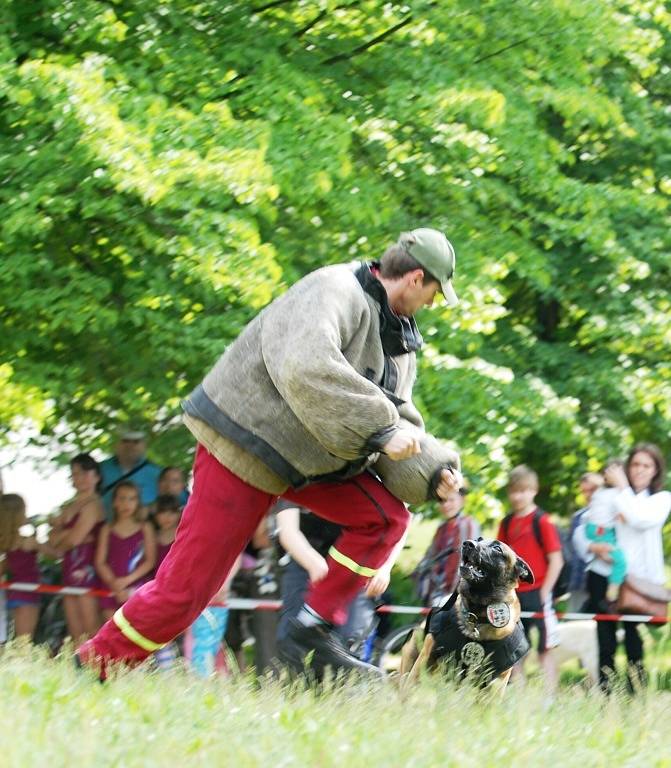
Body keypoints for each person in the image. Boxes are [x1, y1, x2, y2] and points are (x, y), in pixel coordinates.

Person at [77, 227, 463, 678]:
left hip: (303, 461)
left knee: (385, 518)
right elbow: (307, 367)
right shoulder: (332, 289)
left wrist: (434, 469)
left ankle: (311, 628)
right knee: (186, 593)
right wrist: (381, 429)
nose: (434, 304)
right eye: (436, 292)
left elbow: (400, 420)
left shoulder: (399, 341)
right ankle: (94, 663)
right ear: (416, 278)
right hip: (244, 445)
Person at [574, 443, 670, 692]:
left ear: (655, 471)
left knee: (632, 635)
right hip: (602, 574)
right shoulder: (610, 494)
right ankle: (605, 690)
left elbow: (640, 518)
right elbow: (584, 527)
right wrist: (594, 547)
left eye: (646, 465)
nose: (640, 470)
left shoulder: (661, 500)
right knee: (604, 634)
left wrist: (622, 488)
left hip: (637, 579)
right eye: (636, 464)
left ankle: (634, 690)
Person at [276, 501, 402, 657]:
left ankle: (346, 676)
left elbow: (398, 521)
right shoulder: (296, 479)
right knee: (293, 637)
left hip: (358, 562)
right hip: (306, 559)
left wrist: (385, 567)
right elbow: (288, 531)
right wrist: (313, 564)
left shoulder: (377, 478)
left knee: (350, 641)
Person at [497, 465, 564, 694]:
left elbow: (557, 560)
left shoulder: (542, 521)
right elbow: (500, 560)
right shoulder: (506, 523)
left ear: (533, 491)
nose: (518, 496)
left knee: (545, 650)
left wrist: (544, 593)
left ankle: (549, 699)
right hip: (514, 594)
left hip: (538, 593)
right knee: (514, 650)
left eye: (523, 490)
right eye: (514, 491)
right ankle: (519, 699)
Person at [49, 453, 106, 642]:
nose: (78, 477)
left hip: (88, 572)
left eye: (83, 472)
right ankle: (79, 670)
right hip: (69, 569)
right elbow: (54, 541)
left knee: (91, 629)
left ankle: (98, 669)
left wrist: (64, 536)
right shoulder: (70, 506)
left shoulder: (93, 504)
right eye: (74, 473)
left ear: (96, 476)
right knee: (75, 632)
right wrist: (69, 536)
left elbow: (73, 539)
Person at [94, 481, 157, 621]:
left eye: (132, 499)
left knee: (136, 633)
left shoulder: (145, 527)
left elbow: (150, 561)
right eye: (122, 498)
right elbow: (99, 562)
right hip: (110, 587)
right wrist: (114, 584)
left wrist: (126, 581)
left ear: (137, 503)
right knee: (111, 633)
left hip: (137, 587)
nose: (126, 504)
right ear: (114, 502)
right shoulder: (107, 529)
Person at [414, 487, 481, 606]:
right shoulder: (442, 529)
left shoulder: (468, 525)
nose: (446, 505)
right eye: (442, 501)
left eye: (451, 500)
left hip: (458, 593)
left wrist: (458, 592)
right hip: (437, 590)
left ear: (462, 500)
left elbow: (469, 560)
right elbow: (431, 555)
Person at [580, 461, 628, 603]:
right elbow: (626, 516)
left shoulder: (600, 491)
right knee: (621, 561)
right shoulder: (617, 494)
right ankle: (613, 588)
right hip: (602, 532)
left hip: (592, 529)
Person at [0, 494, 44, 640]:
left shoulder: (7, 542)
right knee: (24, 642)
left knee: (17, 640)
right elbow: (57, 554)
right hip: (28, 594)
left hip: (13, 593)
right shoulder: (27, 541)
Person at [99, 430, 161, 519]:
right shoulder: (100, 469)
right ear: (117, 444)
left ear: (144, 446)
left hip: (145, 530)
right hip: (106, 528)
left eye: (136, 442)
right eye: (125, 441)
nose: (130, 446)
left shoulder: (157, 473)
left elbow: (176, 502)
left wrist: (149, 509)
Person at [566, 472, 604, 612]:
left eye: (592, 490)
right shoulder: (578, 518)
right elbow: (570, 552)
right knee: (574, 626)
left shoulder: (613, 516)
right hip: (578, 583)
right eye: (584, 491)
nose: (588, 495)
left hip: (604, 584)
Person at [151, 494, 181, 574]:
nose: (167, 517)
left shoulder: (182, 537)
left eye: (172, 512)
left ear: (179, 514)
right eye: (163, 512)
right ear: (156, 515)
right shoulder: (152, 538)